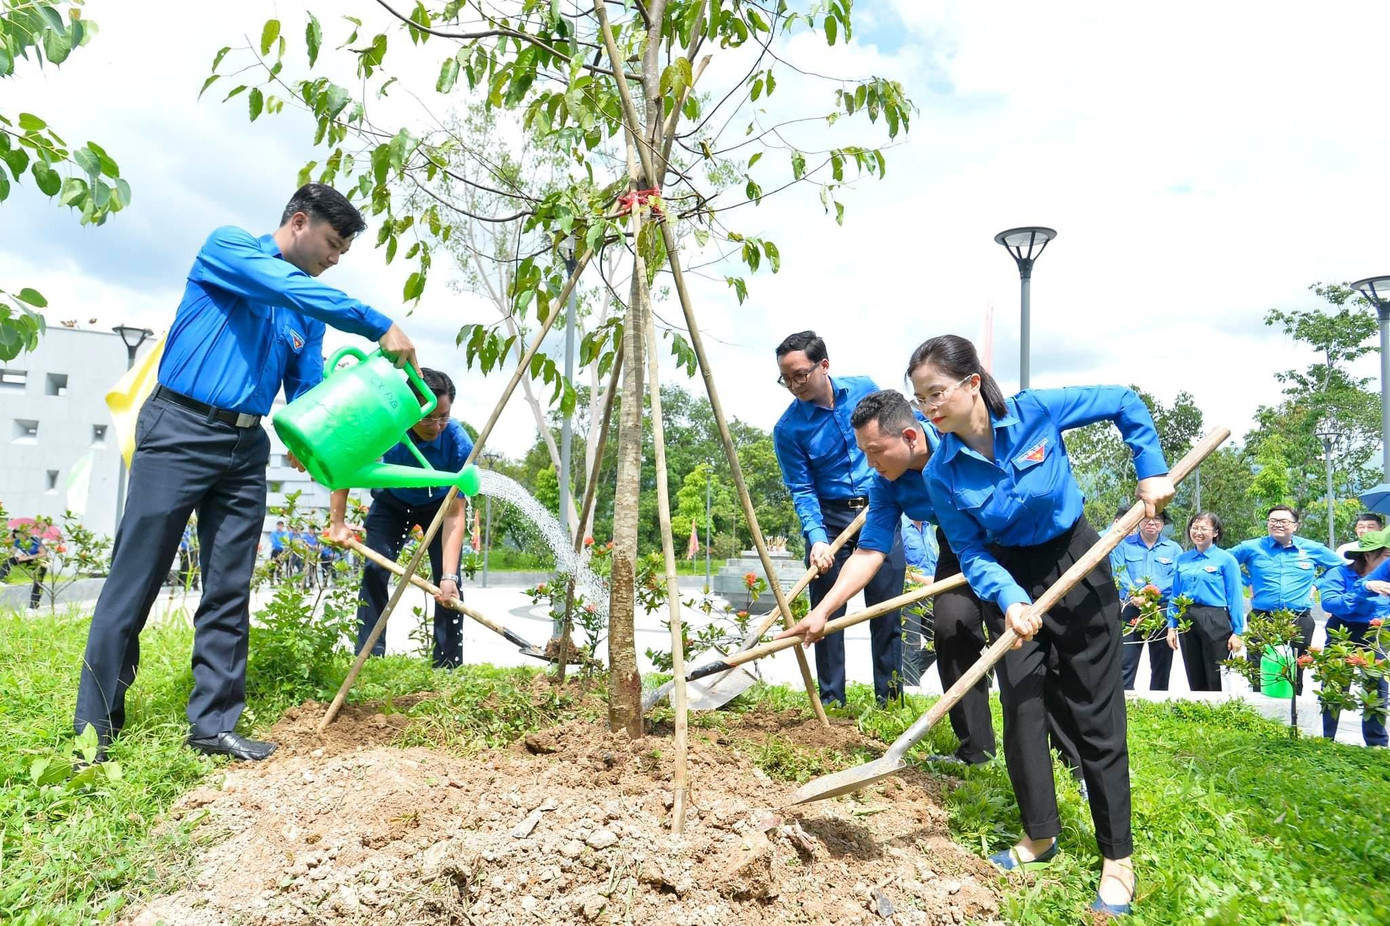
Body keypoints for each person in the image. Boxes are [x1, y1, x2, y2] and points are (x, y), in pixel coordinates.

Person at [74, 182, 419, 764]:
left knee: (229, 587)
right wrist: (376, 322)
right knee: (137, 577)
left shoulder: (304, 314)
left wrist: (338, 425)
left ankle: (213, 725)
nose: (335, 259)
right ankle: (94, 731)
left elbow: (306, 390)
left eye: (343, 252)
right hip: (181, 427)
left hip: (245, 446)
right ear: (299, 222)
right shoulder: (230, 248)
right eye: (332, 244)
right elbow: (284, 286)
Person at [910, 334, 1173, 916]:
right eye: (920, 398)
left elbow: (1124, 401)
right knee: (1023, 708)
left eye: (936, 393)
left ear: (972, 383)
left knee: (1093, 711)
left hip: (1075, 562)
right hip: (1010, 579)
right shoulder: (941, 472)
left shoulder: (1037, 411)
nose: (928, 408)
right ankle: (1039, 835)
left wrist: (1151, 470)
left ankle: (1118, 858)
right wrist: (1008, 599)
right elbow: (970, 550)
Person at [777, 389, 996, 761]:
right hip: (958, 543)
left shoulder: (954, 437)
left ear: (909, 436)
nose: (869, 462)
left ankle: (1068, 759)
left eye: (875, 451)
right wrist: (822, 611)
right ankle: (976, 751)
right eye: (863, 452)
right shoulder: (885, 484)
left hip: (1009, 532)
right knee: (951, 626)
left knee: (1022, 639)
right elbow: (869, 551)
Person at [771, 332, 906, 706]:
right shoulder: (788, 429)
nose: (794, 385)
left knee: (887, 611)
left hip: (879, 509)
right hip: (830, 521)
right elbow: (802, 489)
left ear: (824, 366)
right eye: (786, 378)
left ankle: (890, 701)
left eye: (800, 375)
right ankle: (832, 700)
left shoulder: (865, 390)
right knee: (825, 615)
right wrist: (817, 538)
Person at [328, 368, 472, 669]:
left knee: (449, 583)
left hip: (438, 505)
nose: (437, 426)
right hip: (391, 503)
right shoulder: (384, 426)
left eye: (444, 417)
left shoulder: (458, 442)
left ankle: (448, 665)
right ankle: (369, 658)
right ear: (410, 408)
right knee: (375, 571)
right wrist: (337, 523)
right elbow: (345, 465)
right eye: (428, 417)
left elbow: (455, 513)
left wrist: (448, 577)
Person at [1230, 506, 1344, 694]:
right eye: (1273, 521)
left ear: (1295, 526)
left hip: (1298, 618)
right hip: (1262, 618)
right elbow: (1224, 561)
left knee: (1295, 669)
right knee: (1258, 668)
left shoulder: (1312, 548)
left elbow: (1340, 567)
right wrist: (1246, 582)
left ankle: (1293, 708)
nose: (1277, 525)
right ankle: (1259, 707)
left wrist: (1317, 585)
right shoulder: (1251, 547)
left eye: (1283, 521)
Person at [1316, 528, 1390, 746]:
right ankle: (1327, 739)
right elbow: (1330, 603)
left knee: (1377, 685)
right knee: (1335, 683)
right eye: (1386, 555)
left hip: (1376, 633)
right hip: (1343, 630)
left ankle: (1376, 743)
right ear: (1368, 555)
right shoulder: (1339, 574)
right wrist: (1365, 589)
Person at [1165, 512, 1244, 691]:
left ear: (1215, 532)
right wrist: (1172, 626)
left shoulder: (1226, 560)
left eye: (1203, 528)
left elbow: (1235, 597)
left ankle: (1219, 705)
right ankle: (1198, 705)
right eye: (1194, 528)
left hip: (1214, 617)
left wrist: (1237, 632)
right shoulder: (1182, 559)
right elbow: (1175, 594)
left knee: (1216, 672)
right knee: (1193, 670)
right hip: (1187, 617)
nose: (1198, 532)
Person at [1111, 504, 1181, 690]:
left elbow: (1175, 577)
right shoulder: (1123, 545)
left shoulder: (1173, 549)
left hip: (1160, 610)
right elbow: (1118, 572)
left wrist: (1152, 592)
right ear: (1138, 522)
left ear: (1163, 523)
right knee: (1125, 661)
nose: (1151, 522)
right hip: (1131, 608)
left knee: (1161, 664)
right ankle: (1125, 699)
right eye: (1147, 519)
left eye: (1157, 519)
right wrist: (1135, 594)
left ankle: (1158, 699)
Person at [900, 512, 938, 685]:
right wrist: (925, 580)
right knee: (911, 647)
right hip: (909, 594)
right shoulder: (900, 526)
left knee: (940, 638)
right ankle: (910, 686)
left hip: (931, 593)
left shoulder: (929, 526)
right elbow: (899, 567)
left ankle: (908, 677)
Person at [1, 528, 47, 609]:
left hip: (40, 562)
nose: (18, 536)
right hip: (27, 558)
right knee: (9, 560)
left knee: (38, 582)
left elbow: (43, 553)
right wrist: (8, 543)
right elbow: (11, 553)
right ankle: (2, 578)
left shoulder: (35, 540)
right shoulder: (18, 541)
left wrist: (27, 557)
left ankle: (34, 605)